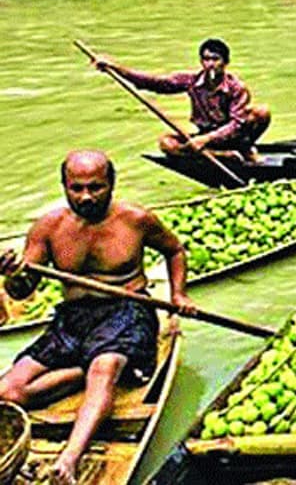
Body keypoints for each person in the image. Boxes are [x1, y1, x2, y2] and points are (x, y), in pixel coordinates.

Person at [0, 151, 195, 484]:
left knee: (104, 369)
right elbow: (21, 291)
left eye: (96, 187)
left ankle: (69, 460)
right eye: (77, 188)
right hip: (73, 319)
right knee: (9, 392)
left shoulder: (136, 219)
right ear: (64, 186)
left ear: (111, 185)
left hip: (127, 311)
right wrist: (11, 276)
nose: (86, 196)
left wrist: (178, 294)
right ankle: (84, 370)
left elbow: (175, 250)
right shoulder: (48, 227)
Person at [91, 39, 270, 161]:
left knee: (261, 112)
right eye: (206, 59)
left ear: (225, 62)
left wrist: (207, 139)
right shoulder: (191, 81)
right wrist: (114, 67)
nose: (210, 64)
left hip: (232, 136)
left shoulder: (236, 87)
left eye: (215, 59)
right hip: (205, 138)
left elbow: (237, 124)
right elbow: (152, 82)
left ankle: (243, 149)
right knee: (166, 143)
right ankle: (219, 155)